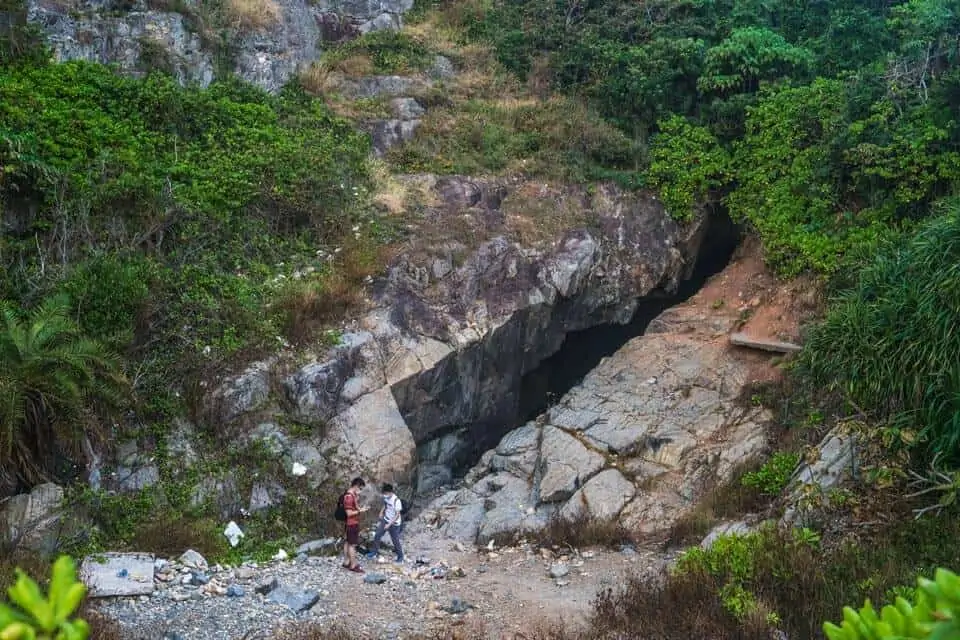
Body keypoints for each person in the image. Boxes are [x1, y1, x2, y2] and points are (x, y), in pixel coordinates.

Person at [365, 483, 404, 563]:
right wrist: (381, 512)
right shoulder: (386, 498)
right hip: (385, 519)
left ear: (390, 492)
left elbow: (397, 515)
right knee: (377, 535)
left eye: (385, 493)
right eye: (384, 493)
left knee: (395, 540)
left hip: (394, 523)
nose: (384, 495)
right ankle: (374, 551)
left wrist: (389, 524)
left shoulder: (397, 501)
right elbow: (385, 505)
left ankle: (400, 556)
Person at [342, 477, 369, 573]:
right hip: (352, 524)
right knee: (352, 545)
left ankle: (346, 562)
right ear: (356, 486)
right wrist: (360, 510)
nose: (360, 491)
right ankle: (353, 565)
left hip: (350, 523)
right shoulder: (349, 497)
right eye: (360, 488)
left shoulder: (351, 495)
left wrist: (358, 506)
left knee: (347, 542)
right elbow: (349, 513)